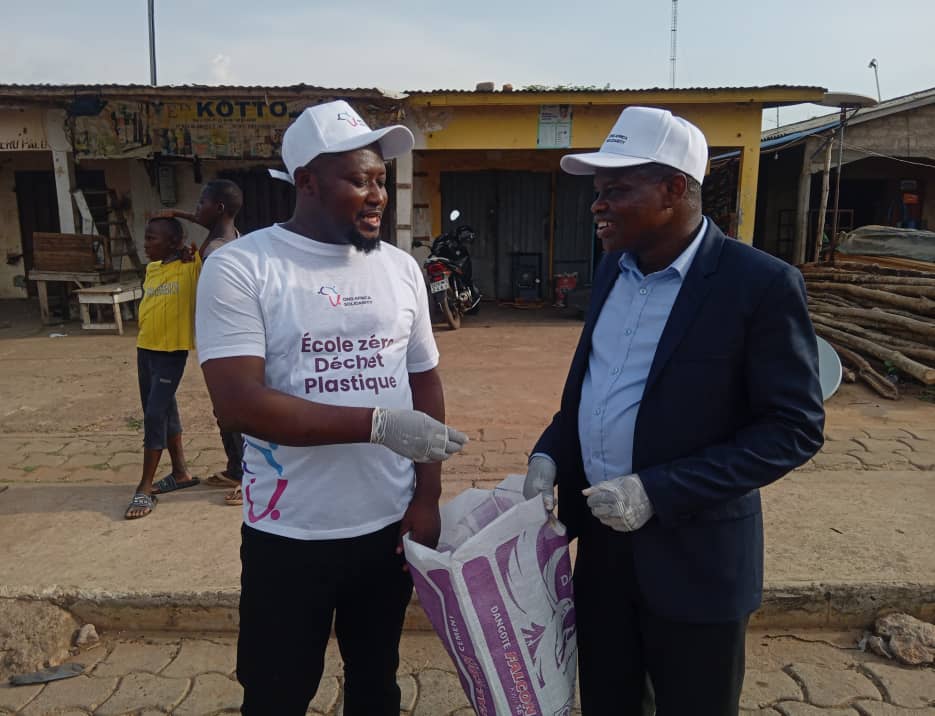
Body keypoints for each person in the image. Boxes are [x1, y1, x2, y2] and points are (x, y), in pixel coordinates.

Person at [522, 106, 825, 715]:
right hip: (604, 555)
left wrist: (656, 491)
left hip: (697, 564)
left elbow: (794, 428)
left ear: (674, 189)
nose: (597, 206)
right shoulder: (612, 270)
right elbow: (596, 388)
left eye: (616, 190)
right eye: (597, 191)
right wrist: (551, 451)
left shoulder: (759, 285)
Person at [194, 99, 467, 715]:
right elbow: (238, 404)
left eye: (380, 180)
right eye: (357, 180)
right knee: (278, 691)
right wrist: (378, 425)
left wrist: (427, 496)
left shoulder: (400, 269)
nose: (376, 197)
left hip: (386, 525)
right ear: (307, 181)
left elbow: (423, 379)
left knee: (376, 680)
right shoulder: (243, 267)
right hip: (291, 531)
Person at [158, 179, 246, 505]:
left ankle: (251, 479)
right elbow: (202, 222)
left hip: (230, 342)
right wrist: (179, 213)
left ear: (218, 208)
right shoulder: (228, 237)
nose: (196, 210)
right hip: (218, 341)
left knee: (236, 411)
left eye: (201, 203)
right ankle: (236, 469)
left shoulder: (221, 251)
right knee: (223, 410)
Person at [125, 217, 202, 519]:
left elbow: (219, 231)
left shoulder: (191, 265)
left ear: (173, 242)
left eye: (152, 239)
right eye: (146, 237)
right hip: (145, 349)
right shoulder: (152, 268)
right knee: (163, 408)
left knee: (154, 414)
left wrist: (182, 216)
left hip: (171, 352)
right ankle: (180, 473)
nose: (145, 244)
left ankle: (144, 487)